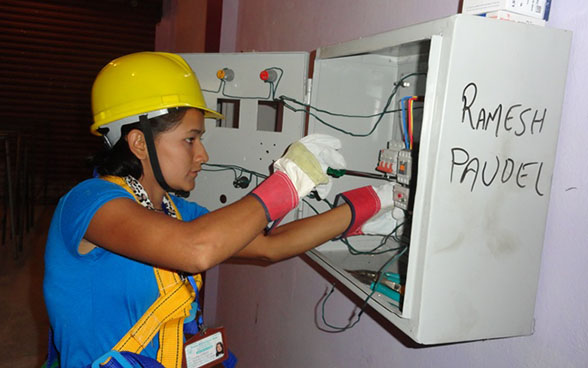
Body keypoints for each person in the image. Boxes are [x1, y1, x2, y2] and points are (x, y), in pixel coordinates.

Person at [42, 52, 396, 368]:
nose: (203, 155)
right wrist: (289, 182)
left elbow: (269, 245)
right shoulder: (87, 203)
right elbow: (196, 250)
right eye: (190, 139)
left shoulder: (176, 213)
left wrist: (367, 209)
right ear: (139, 142)